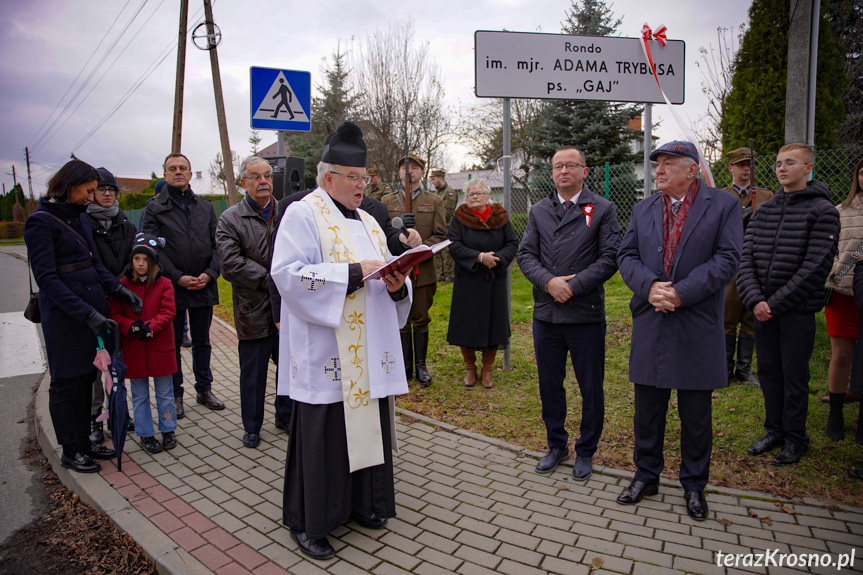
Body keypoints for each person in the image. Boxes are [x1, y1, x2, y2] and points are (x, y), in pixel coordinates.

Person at [271, 121, 412, 560]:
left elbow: (387, 271)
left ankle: (363, 503)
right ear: (328, 176)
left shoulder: (370, 220)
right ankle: (309, 522)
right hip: (327, 351)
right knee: (324, 434)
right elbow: (287, 276)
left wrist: (396, 282)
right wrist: (353, 274)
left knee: (366, 425)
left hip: (366, 351)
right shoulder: (303, 212)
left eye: (364, 178)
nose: (362, 185)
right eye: (354, 178)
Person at [617, 140, 742, 520]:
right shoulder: (643, 209)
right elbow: (626, 255)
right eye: (657, 164)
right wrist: (650, 287)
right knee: (648, 409)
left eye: (668, 164)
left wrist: (681, 293)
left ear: (692, 169)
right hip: (653, 318)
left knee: (696, 413)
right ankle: (646, 474)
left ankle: (693, 485)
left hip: (696, 321)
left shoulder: (723, 205)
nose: (659, 170)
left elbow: (728, 258)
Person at [23, 160, 142, 473]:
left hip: (93, 314)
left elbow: (94, 264)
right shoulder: (40, 222)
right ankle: (70, 449)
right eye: (88, 190)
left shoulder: (81, 218)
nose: (91, 196)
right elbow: (47, 280)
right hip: (67, 319)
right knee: (68, 383)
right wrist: (86, 314)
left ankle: (87, 443)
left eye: (95, 190)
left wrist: (119, 290)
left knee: (89, 376)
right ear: (69, 185)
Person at [518, 146, 621, 481]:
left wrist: (573, 286)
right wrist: (548, 282)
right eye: (558, 166)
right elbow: (525, 255)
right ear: (552, 173)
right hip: (547, 313)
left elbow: (610, 257)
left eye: (571, 165)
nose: (564, 171)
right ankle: (556, 445)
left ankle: (586, 450)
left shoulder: (602, 209)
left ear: (584, 171)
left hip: (584, 313)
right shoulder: (539, 211)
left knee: (590, 386)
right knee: (550, 385)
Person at [737, 143, 839, 465]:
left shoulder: (823, 212)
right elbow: (746, 258)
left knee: (794, 376)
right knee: (769, 373)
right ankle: (775, 430)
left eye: (790, 163)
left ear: (808, 168)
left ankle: (796, 438)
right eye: (779, 163)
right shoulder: (764, 210)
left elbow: (815, 267)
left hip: (794, 312)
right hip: (763, 310)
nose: (781, 168)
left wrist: (774, 303)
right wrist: (755, 299)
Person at [216, 155, 293, 447]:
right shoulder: (230, 218)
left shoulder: (286, 212)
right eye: (255, 176)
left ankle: (285, 416)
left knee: (288, 366)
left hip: (287, 307)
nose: (263, 181)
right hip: (254, 309)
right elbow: (230, 264)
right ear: (244, 182)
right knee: (253, 373)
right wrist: (273, 278)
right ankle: (252, 426)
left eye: (267, 175)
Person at [141, 153, 224, 419]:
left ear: (190, 174)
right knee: (173, 343)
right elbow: (152, 248)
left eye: (183, 168)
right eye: (172, 168)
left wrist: (210, 274)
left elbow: (217, 245)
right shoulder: (154, 208)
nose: (178, 172)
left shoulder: (205, 207)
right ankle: (176, 395)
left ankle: (204, 389)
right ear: (164, 175)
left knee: (202, 341)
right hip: (170, 286)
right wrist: (176, 276)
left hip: (203, 285)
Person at [446, 178, 518, 389]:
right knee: (467, 325)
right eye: (471, 194)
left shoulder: (500, 217)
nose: (475, 196)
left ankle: (487, 371)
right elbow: (454, 245)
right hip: (469, 280)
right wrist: (478, 257)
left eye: (479, 193)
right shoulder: (460, 218)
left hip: (494, 279)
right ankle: (470, 368)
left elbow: (512, 242)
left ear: (488, 196)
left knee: (493, 326)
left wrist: (498, 259)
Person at [109, 233, 178, 454]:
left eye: (145, 260)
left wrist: (151, 326)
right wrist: (131, 326)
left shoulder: (164, 284)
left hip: (159, 347)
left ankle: (168, 429)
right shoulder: (122, 286)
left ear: (153, 262)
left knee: (165, 393)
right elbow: (115, 314)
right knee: (139, 396)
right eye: (137, 259)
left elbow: (168, 311)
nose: (140, 264)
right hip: (135, 348)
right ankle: (146, 434)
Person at [382, 154, 447, 386]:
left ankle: (420, 366)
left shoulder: (434, 201)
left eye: (415, 168)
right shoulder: (387, 202)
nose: (409, 171)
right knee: (400, 318)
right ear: (399, 173)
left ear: (422, 172)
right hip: (397, 270)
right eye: (404, 168)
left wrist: (421, 249)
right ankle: (404, 366)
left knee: (420, 317)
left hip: (423, 270)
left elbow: (440, 234)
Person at [86, 167, 138, 445]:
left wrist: (122, 282)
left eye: (111, 190)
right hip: (95, 302)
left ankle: (120, 410)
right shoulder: (84, 223)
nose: (107, 194)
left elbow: (134, 257)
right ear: (92, 192)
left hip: (122, 300)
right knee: (97, 364)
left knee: (119, 361)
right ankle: (94, 419)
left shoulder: (125, 224)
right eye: (102, 189)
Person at [722, 148, 774, 385]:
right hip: (730, 262)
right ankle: (725, 368)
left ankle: (744, 369)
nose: (746, 169)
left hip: (757, 262)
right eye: (741, 165)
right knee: (727, 315)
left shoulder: (766, 196)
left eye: (750, 165)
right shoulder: (721, 196)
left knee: (751, 316)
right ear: (731, 167)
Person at [822, 156, 863, 440]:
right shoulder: (841, 211)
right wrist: (840, 275)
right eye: (862, 173)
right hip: (844, 293)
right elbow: (833, 252)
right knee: (842, 355)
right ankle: (835, 411)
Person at [431, 169, 457, 283]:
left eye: (434, 179)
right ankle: (439, 275)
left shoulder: (449, 192)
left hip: (446, 226)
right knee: (437, 251)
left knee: (447, 252)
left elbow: (447, 212)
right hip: (436, 226)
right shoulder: (436, 194)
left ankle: (449, 276)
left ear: (440, 179)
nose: (432, 182)